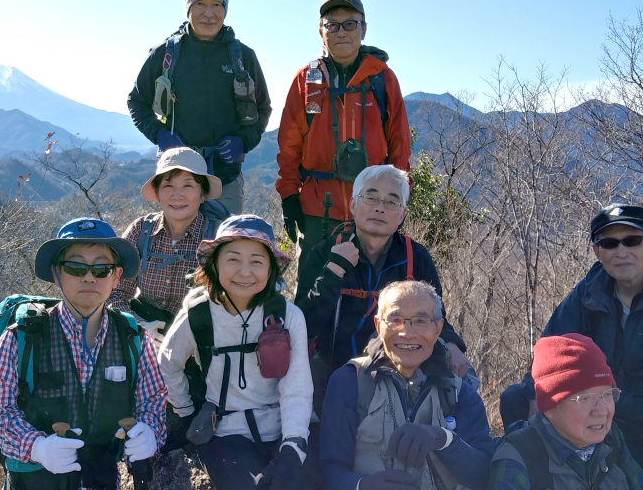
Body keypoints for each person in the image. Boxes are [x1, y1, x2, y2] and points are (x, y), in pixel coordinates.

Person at [0, 218, 167, 490]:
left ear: (116, 277)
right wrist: (37, 447)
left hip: (101, 477)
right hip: (34, 481)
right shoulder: (22, 337)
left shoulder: (132, 337)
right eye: (75, 266)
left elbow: (153, 401)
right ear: (57, 274)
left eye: (102, 268)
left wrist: (150, 431)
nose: (89, 276)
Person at [499, 204, 643, 482]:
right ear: (597, 252)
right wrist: (537, 399)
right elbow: (551, 346)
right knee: (515, 397)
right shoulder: (588, 293)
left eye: (632, 241)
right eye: (609, 243)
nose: (621, 252)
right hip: (599, 411)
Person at [295, 165, 470, 413]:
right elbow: (303, 323)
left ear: (401, 215)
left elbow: (435, 316)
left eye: (391, 202)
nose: (380, 207)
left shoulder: (414, 257)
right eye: (371, 197)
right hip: (330, 366)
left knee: (463, 378)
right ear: (353, 205)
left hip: (395, 366)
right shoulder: (324, 253)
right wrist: (334, 270)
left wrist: (452, 344)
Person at [158, 215, 314, 490]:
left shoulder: (288, 315)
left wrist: (292, 446)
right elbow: (168, 363)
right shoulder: (199, 314)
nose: (245, 271)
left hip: (282, 427)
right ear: (215, 264)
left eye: (256, 261)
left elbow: (296, 387)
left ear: (270, 269)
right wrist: (186, 412)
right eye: (233, 259)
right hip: (224, 432)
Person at [276, 0, 411, 272]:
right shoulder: (306, 80)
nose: (341, 31)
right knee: (313, 297)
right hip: (316, 211)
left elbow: (400, 145)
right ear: (321, 31)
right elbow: (289, 147)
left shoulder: (383, 79)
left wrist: (396, 199)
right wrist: (289, 197)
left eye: (350, 23)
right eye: (332, 24)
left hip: (372, 210)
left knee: (370, 296)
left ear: (363, 29)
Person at [319, 280, 495, 490]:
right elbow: (330, 467)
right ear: (378, 326)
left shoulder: (459, 393)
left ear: (438, 328)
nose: (407, 332)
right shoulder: (350, 381)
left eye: (420, 321)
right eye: (395, 319)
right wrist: (362, 485)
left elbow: (483, 473)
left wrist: (442, 438)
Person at [127, 0, 271, 214]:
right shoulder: (165, 55)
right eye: (200, 3)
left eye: (216, 5)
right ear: (188, 6)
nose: (208, 13)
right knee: (179, 245)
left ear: (225, 8)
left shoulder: (243, 56)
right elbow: (136, 101)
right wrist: (160, 134)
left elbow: (263, 109)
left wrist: (243, 141)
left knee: (226, 245)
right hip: (177, 177)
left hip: (226, 176)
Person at [489, 334, 643, 490]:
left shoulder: (610, 437)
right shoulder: (519, 461)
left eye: (607, 394)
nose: (602, 411)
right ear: (550, 406)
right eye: (585, 399)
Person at [108, 147, 228, 349]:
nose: (177, 195)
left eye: (188, 185)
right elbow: (113, 292)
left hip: (202, 340)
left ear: (202, 193)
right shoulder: (141, 231)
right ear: (157, 192)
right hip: (145, 337)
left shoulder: (218, 238)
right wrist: (139, 326)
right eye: (168, 185)